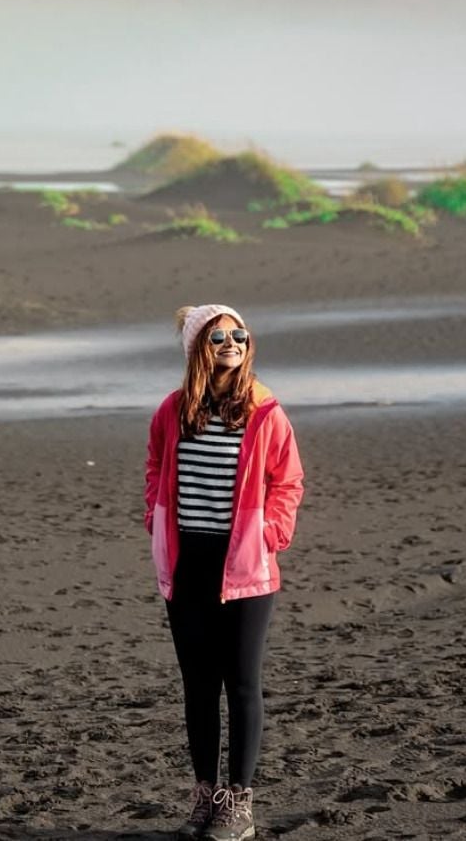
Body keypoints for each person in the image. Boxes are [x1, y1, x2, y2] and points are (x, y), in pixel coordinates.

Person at [144, 303, 304, 841]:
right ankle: (204, 796)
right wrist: (155, 516)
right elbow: (154, 465)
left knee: (241, 683)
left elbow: (289, 481)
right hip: (189, 563)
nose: (232, 343)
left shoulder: (264, 411)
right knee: (198, 686)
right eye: (219, 337)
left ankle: (239, 802)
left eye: (239, 334)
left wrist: (270, 533)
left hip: (247, 566)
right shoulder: (172, 411)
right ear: (198, 350)